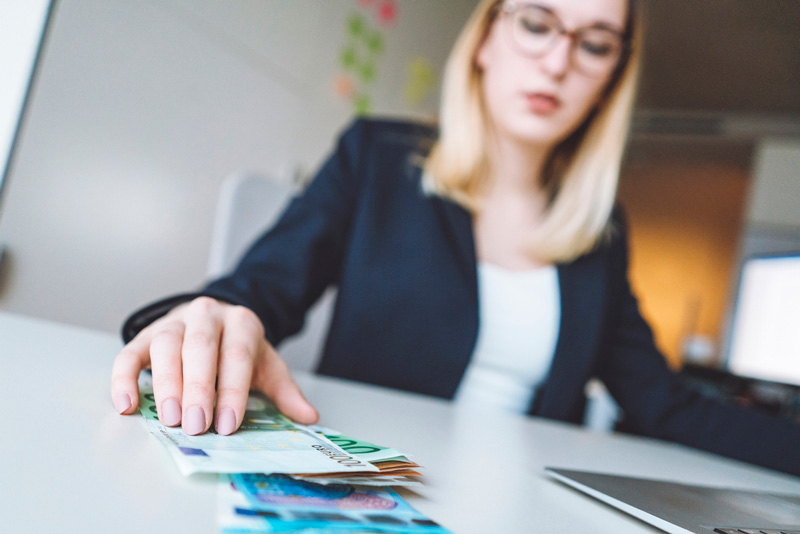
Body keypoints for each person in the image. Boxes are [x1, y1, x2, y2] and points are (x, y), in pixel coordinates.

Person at [111, 0, 800, 475]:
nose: (559, 63)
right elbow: (256, 293)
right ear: (488, 39)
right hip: (366, 490)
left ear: (610, 81)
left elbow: (664, 404)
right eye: (536, 23)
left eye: (594, 45)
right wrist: (211, 319)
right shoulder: (375, 157)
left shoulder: (600, 233)